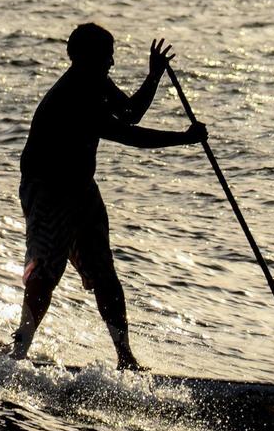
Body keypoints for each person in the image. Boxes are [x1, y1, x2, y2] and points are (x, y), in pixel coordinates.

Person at [10, 23, 207, 370]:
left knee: (105, 274)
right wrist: (183, 139)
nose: (113, 62)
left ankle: (125, 358)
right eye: (107, 55)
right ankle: (18, 352)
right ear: (86, 57)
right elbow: (128, 135)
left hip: (81, 189)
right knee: (46, 273)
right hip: (49, 190)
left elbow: (130, 113)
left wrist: (154, 75)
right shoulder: (74, 94)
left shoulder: (95, 80)